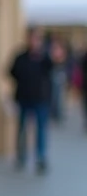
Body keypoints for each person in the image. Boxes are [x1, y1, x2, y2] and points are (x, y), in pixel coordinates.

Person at [8, 28, 58, 173]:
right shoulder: (20, 57)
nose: (33, 42)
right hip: (24, 98)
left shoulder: (44, 58)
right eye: (31, 38)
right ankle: (21, 155)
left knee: (41, 129)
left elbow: (53, 68)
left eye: (36, 39)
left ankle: (40, 157)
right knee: (22, 128)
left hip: (40, 99)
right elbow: (11, 72)